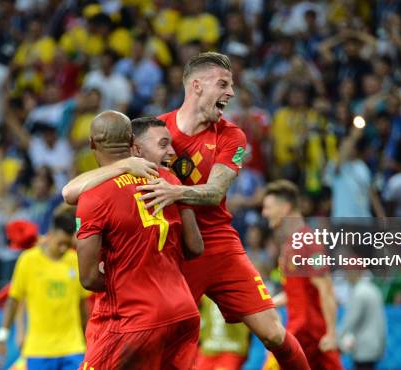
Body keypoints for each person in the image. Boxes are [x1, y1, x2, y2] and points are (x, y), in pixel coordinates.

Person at [62, 52, 311, 369]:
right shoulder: (155, 130)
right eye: (223, 84)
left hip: (219, 245)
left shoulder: (231, 135)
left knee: (274, 333)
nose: (230, 93)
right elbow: (79, 188)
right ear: (197, 86)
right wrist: (125, 165)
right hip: (170, 255)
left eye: (231, 86)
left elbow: (214, 192)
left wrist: (175, 192)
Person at [75, 112, 203, 369]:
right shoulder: (170, 180)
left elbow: (89, 278)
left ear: (92, 144)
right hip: (183, 311)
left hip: (134, 316)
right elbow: (195, 247)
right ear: (132, 140)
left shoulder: (94, 195)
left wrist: (127, 278)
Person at [261, 179, 343, 370]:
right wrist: (264, 306)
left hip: (310, 334)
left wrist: (331, 334)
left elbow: (326, 289)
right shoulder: (291, 244)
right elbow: (295, 292)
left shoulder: (309, 243)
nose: (264, 213)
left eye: (268, 207)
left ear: (285, 208)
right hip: (301, 332)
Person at [0, 209, 89, 370]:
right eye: (60, 243)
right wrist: (2, 337)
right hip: (39, 350)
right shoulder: (28, 260)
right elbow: (13, 301)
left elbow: (82, 307)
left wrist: (88, 341)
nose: (63, 248)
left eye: (67, 244)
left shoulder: (75, 261)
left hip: (73, 348)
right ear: (50, 234)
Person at [339, 268, 386, 370]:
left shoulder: (358, 293)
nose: (346, 278)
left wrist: (336, 340)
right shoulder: (373, 289)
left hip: (363, 347)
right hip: (376, 344)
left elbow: (350, 320)